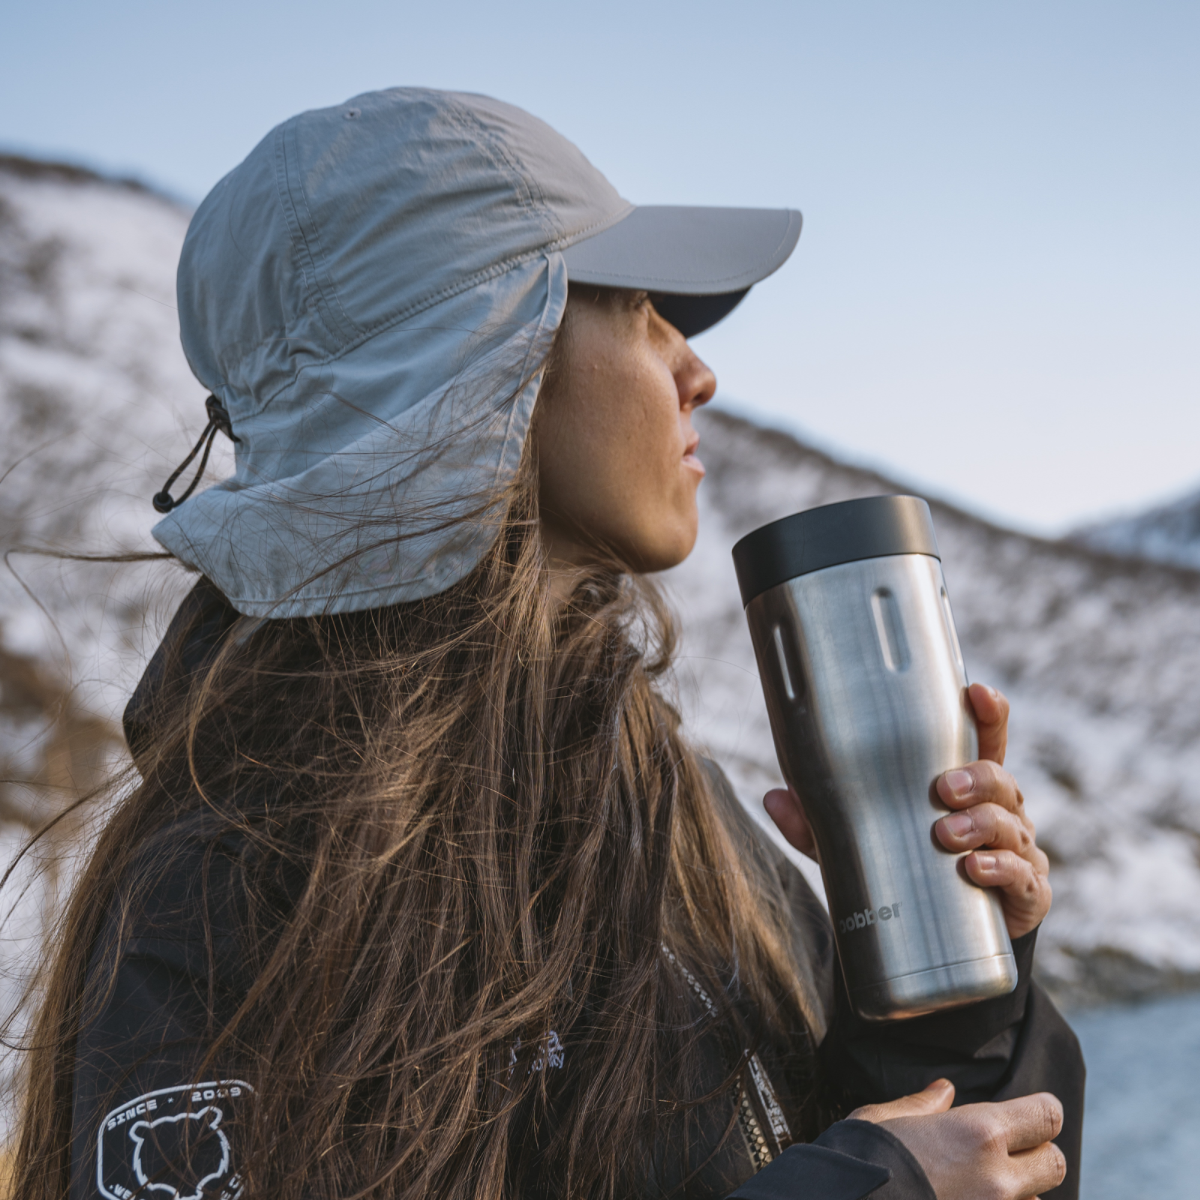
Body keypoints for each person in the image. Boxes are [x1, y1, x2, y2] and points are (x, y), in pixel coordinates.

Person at [7, 89, 1083, 1200]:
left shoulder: (673, 803)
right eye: (635, 309)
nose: (698, 370)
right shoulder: (234, 873)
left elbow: (897, 1145)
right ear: (478, 366)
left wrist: (963, 1001)